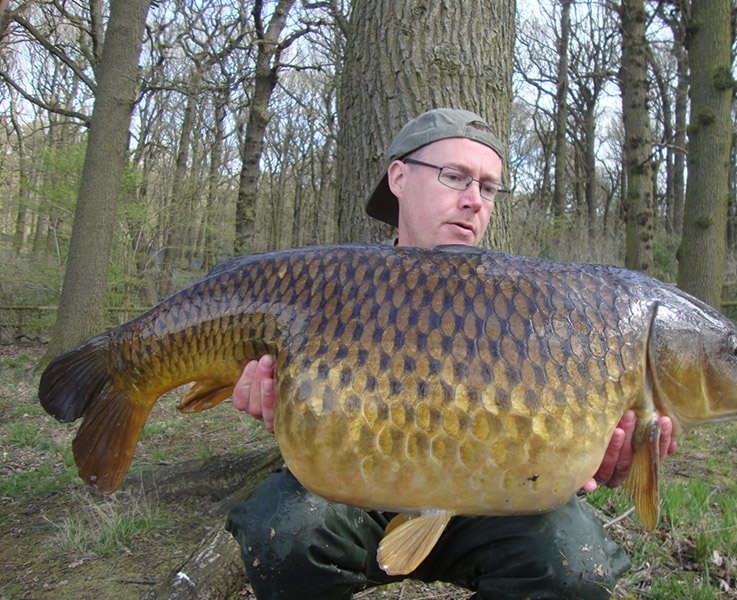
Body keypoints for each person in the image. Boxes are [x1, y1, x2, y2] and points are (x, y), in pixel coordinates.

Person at [226, 108, 677, 599]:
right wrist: (285, 407)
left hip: (497, 495)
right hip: (360, 486)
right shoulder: (334, 287)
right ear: (398, 177)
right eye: (455, 177)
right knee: (282, 532)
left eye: (487, 188)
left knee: (576, 566)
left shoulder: (530, 303)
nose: (473, 201)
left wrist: (600, 456)